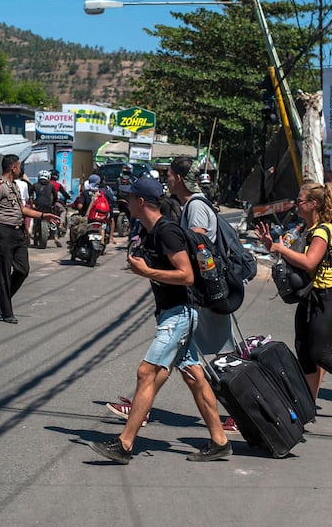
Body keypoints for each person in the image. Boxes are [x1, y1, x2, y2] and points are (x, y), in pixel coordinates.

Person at [87, 176, 231, 464]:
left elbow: (187, 276)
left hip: (180, 314)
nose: (126, 203)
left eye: (129, 198)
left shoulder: (167, 232)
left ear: (141, 202)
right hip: (174, 313)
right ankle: (220, 440)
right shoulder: (150, 231)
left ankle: (125, 443)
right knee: (194, 377)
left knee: (145, 373)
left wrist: (147, 272)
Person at [255, 180, 332, 418]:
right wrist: (272, 246)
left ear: (313, 204)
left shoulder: (323, 230)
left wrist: (280, 249)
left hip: (331, 296)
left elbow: (310, 262)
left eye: (300, 201)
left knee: (320, 353)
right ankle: (308, 404)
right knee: (304, 350)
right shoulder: (307, 229)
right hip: (313, 295)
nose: (296, 204)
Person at [0, 154, 60, 325]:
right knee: (4, 273)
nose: (21, 169)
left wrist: (43, 215)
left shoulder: (15, 186)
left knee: (23, 270)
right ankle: (6, 311)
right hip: (2, 232)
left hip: (17, 233)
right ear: (13, 168)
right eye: (19, 165)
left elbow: (22, 210)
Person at [69, 174, 117, 246]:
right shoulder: (102, 192)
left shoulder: (85, 193)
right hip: (101, 217)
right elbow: (112, 200)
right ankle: (106, 240)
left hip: (87, 218)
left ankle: (73, 243)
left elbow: (79, 206)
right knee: (104, 225)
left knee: (73, 226)